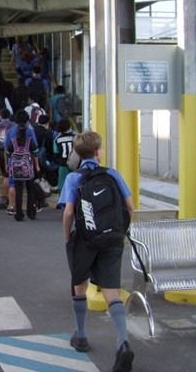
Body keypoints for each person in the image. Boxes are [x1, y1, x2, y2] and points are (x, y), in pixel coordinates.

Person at [58, 131, 135, 372]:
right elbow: (130, 207)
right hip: (112, 238)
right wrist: (120, 232)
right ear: (98, 152)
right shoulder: (112, 174)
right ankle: (122, 343)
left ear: (78, 154)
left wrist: (67, 237)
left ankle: (81, 336)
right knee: (112, 291)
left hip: (84, 240)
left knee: (79, 285)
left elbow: (69, 212)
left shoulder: (73, 178)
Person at [5, 122, 39, 221]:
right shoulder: (29, 141)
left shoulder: (13, 141)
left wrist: (8, 164)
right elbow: (36, 152)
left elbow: (8, 152)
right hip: (28, 169)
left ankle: (19, 213)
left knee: (18, 191)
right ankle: (31, 212)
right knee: (30, 191)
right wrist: (36, 165)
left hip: (16, 170)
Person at [0, 108, 15, 210]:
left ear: (0, 116)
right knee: (10, 176)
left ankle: (3, 200)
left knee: (5, 175)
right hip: (10, 152)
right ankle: (8, 200)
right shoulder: (13, 126)